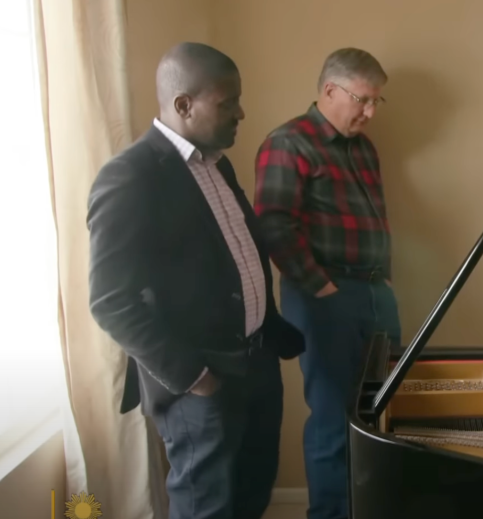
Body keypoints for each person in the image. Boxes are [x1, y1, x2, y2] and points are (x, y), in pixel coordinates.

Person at [87, 42, 304, 519]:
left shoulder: (216, 163)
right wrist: (192, 378)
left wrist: (270, 329)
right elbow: (109, 300)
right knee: (206, 505)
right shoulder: (131, 178)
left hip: (255, 363)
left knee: (251, 492)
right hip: (199, 381)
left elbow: (236, 253)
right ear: (183, 104)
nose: (241, 112)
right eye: (228, 102)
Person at [254, 47, 401, 519]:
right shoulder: (288, 142)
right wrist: (323, 290)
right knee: (334, 419)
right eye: (363, 99)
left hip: (376, 294)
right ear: (330, 91)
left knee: (383, 411)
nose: (371, 112)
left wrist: (385, 285)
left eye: (378, 102)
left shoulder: (364, 147)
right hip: (323, 297)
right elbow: (274, 225)